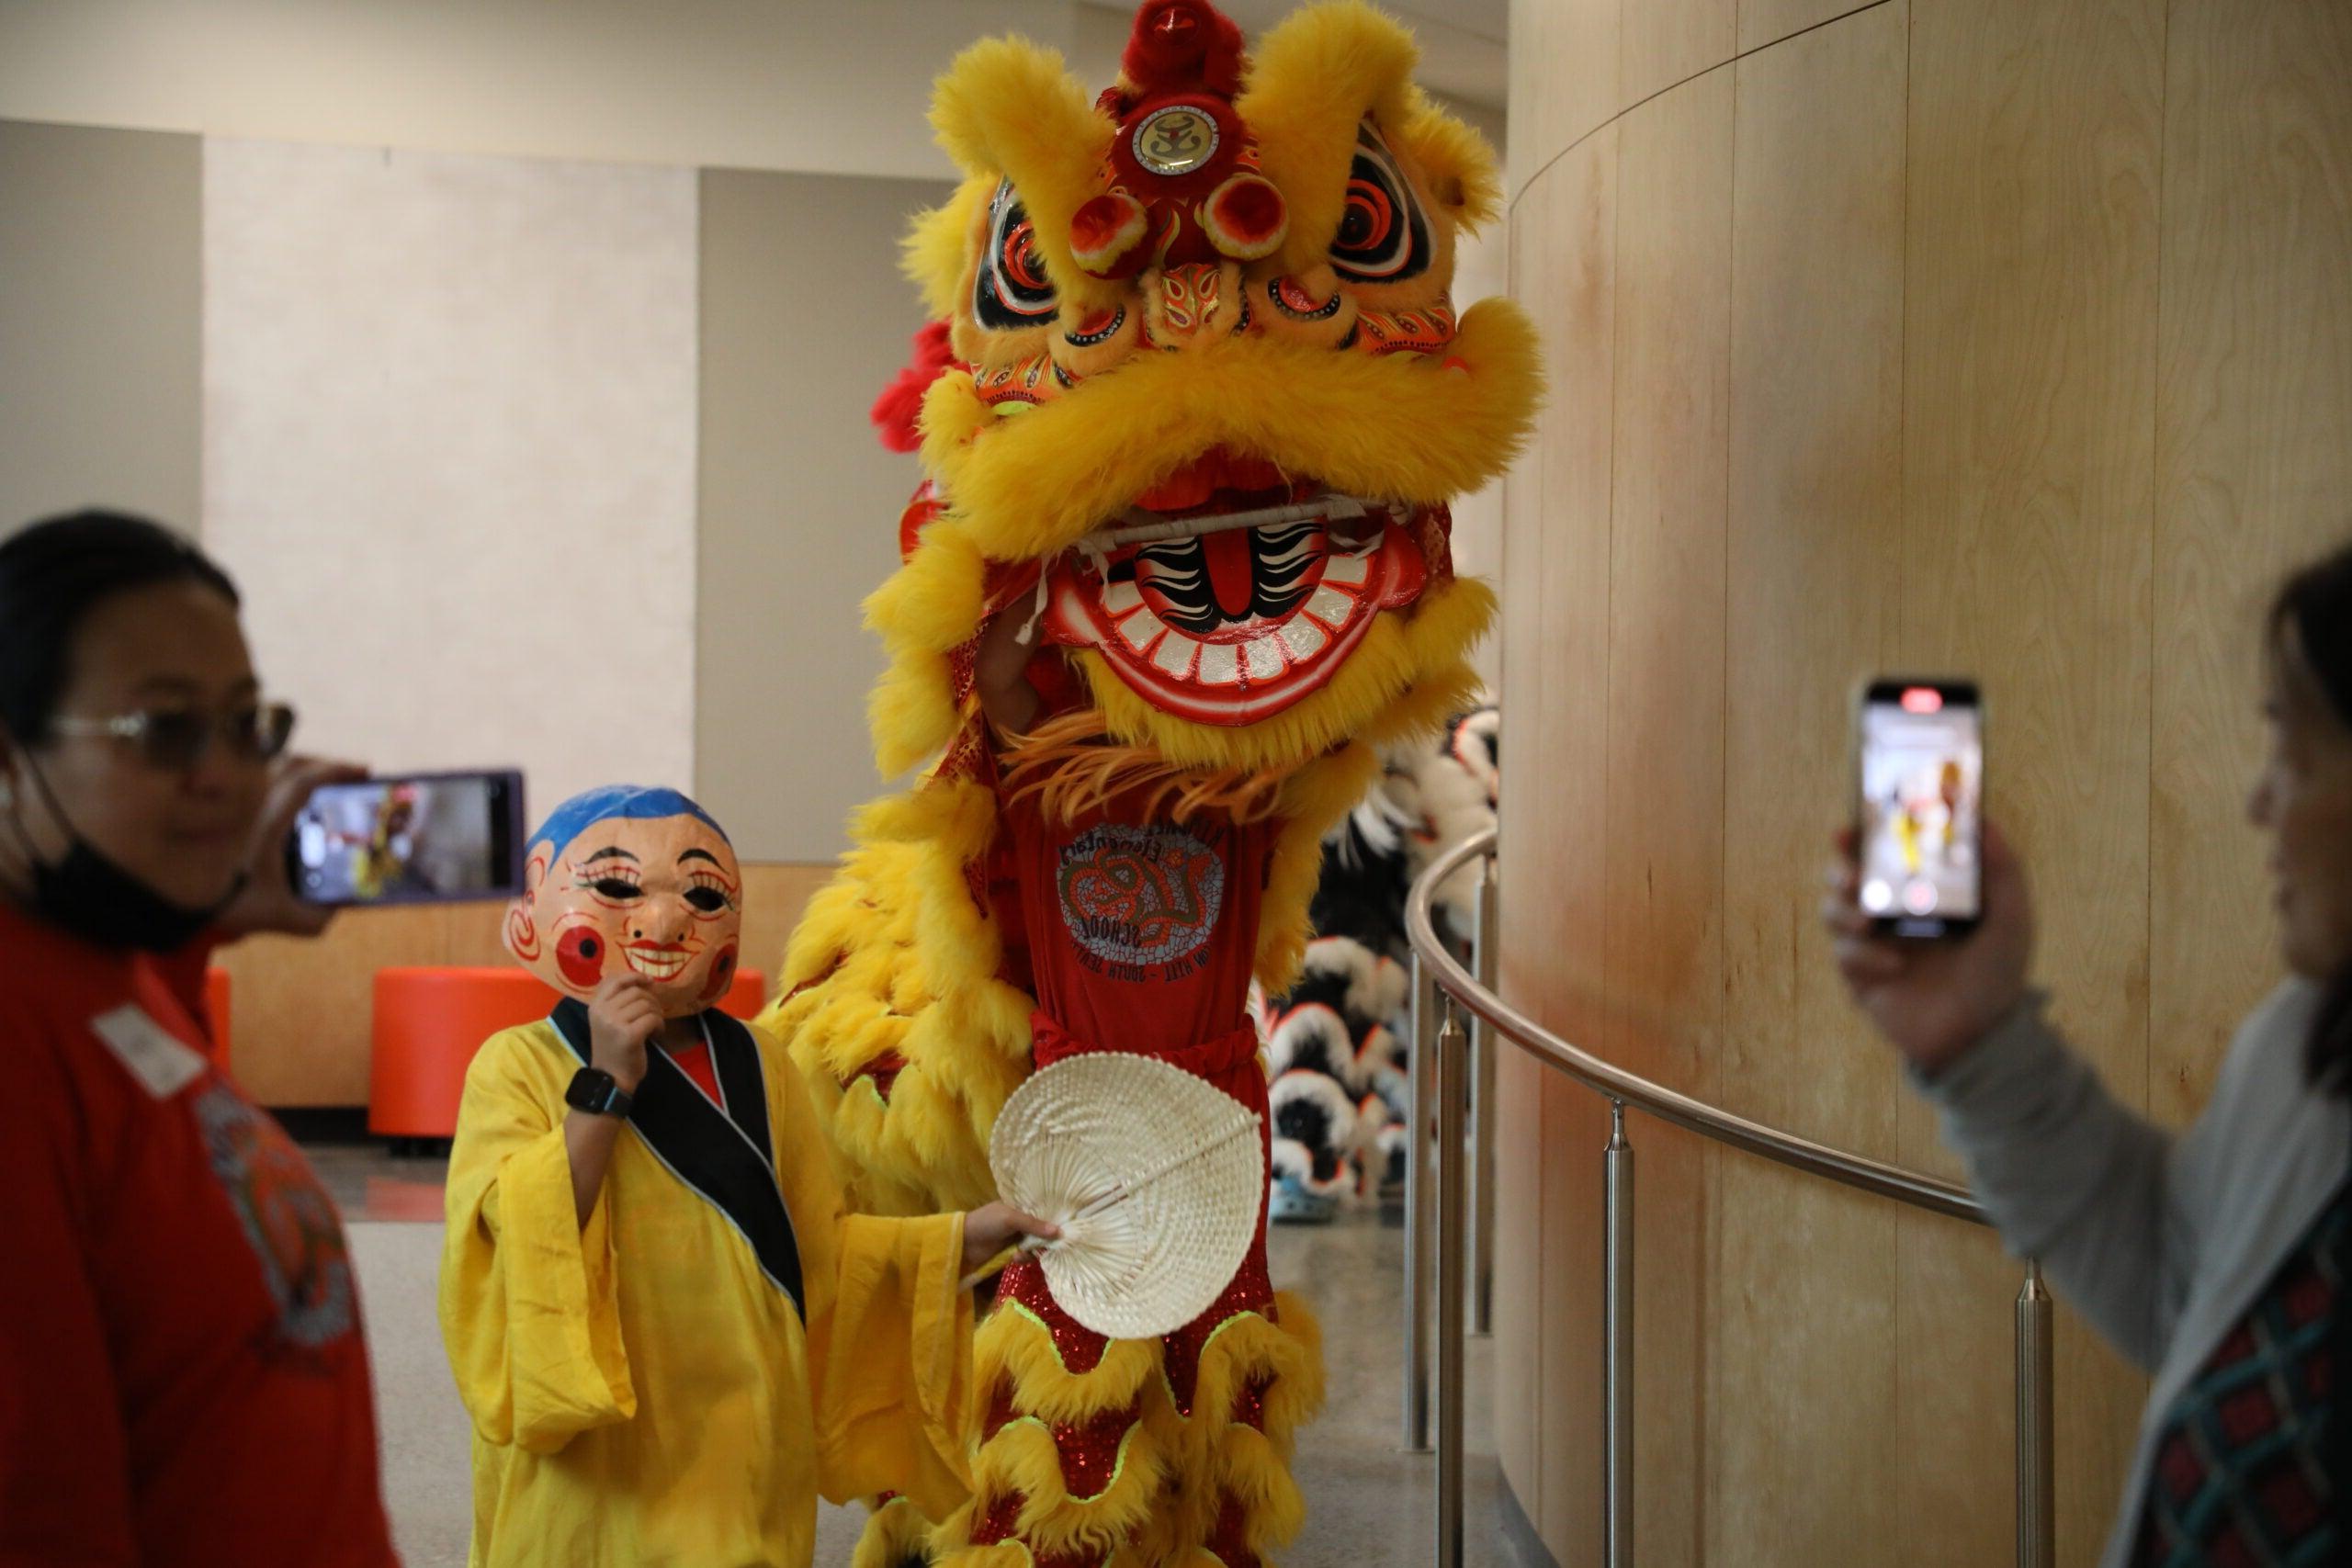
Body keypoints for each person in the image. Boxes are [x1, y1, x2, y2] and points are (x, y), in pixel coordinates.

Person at [1826, 539, 2352, 1567]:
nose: (2259, 802)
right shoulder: (2305, 1051)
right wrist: (1979, 1041)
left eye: (2294, 752)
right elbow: (2177, 1276)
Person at [438, 783, 1054, 1568]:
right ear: (536, 907)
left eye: (700, 892)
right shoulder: (516, 1065)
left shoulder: (760, 1062)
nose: (662, 921)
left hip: (745, 1440)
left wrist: (967, 1235)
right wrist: (606, 1085)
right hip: (602, 1460)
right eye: (620, 887)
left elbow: (819, 1256)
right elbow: (515, 1246)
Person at [0, 509, 398, 1565]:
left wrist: (220, 908)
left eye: (246, 726)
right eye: (166, 731)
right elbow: (39, 1513)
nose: (227, 775)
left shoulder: (116, 961)